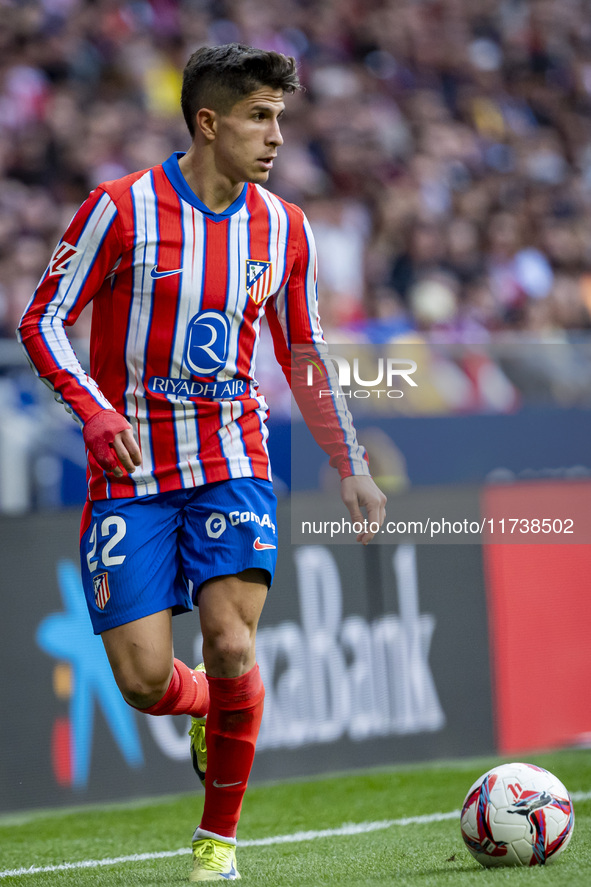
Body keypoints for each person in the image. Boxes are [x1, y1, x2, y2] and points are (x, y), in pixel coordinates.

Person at [17, 43, 386, 882]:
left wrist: (349, 460)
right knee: (146, 679)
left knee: (229, 638)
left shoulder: (284, 228)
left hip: (232, 459)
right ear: (209, 122)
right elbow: (41, 320)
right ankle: (203, 709)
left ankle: (215, 842)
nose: (276, 136)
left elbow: (303, 352)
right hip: (133, 475)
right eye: (260, 116)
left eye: (281, 117)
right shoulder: (119, 209)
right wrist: (98, 410)